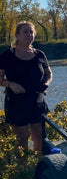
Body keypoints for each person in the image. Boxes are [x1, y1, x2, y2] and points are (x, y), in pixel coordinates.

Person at [0, 21, 52, 160]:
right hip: (17, 103)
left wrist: (45, 85)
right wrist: (10, 84)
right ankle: (23, 172)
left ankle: (39, 170)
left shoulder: (39, 54)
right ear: (17, 35)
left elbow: (49, 74)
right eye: (25, 32)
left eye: (31, 32)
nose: (29, 34)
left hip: (36, 101)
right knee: (22, 140)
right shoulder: (7, 55)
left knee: (39, 139)